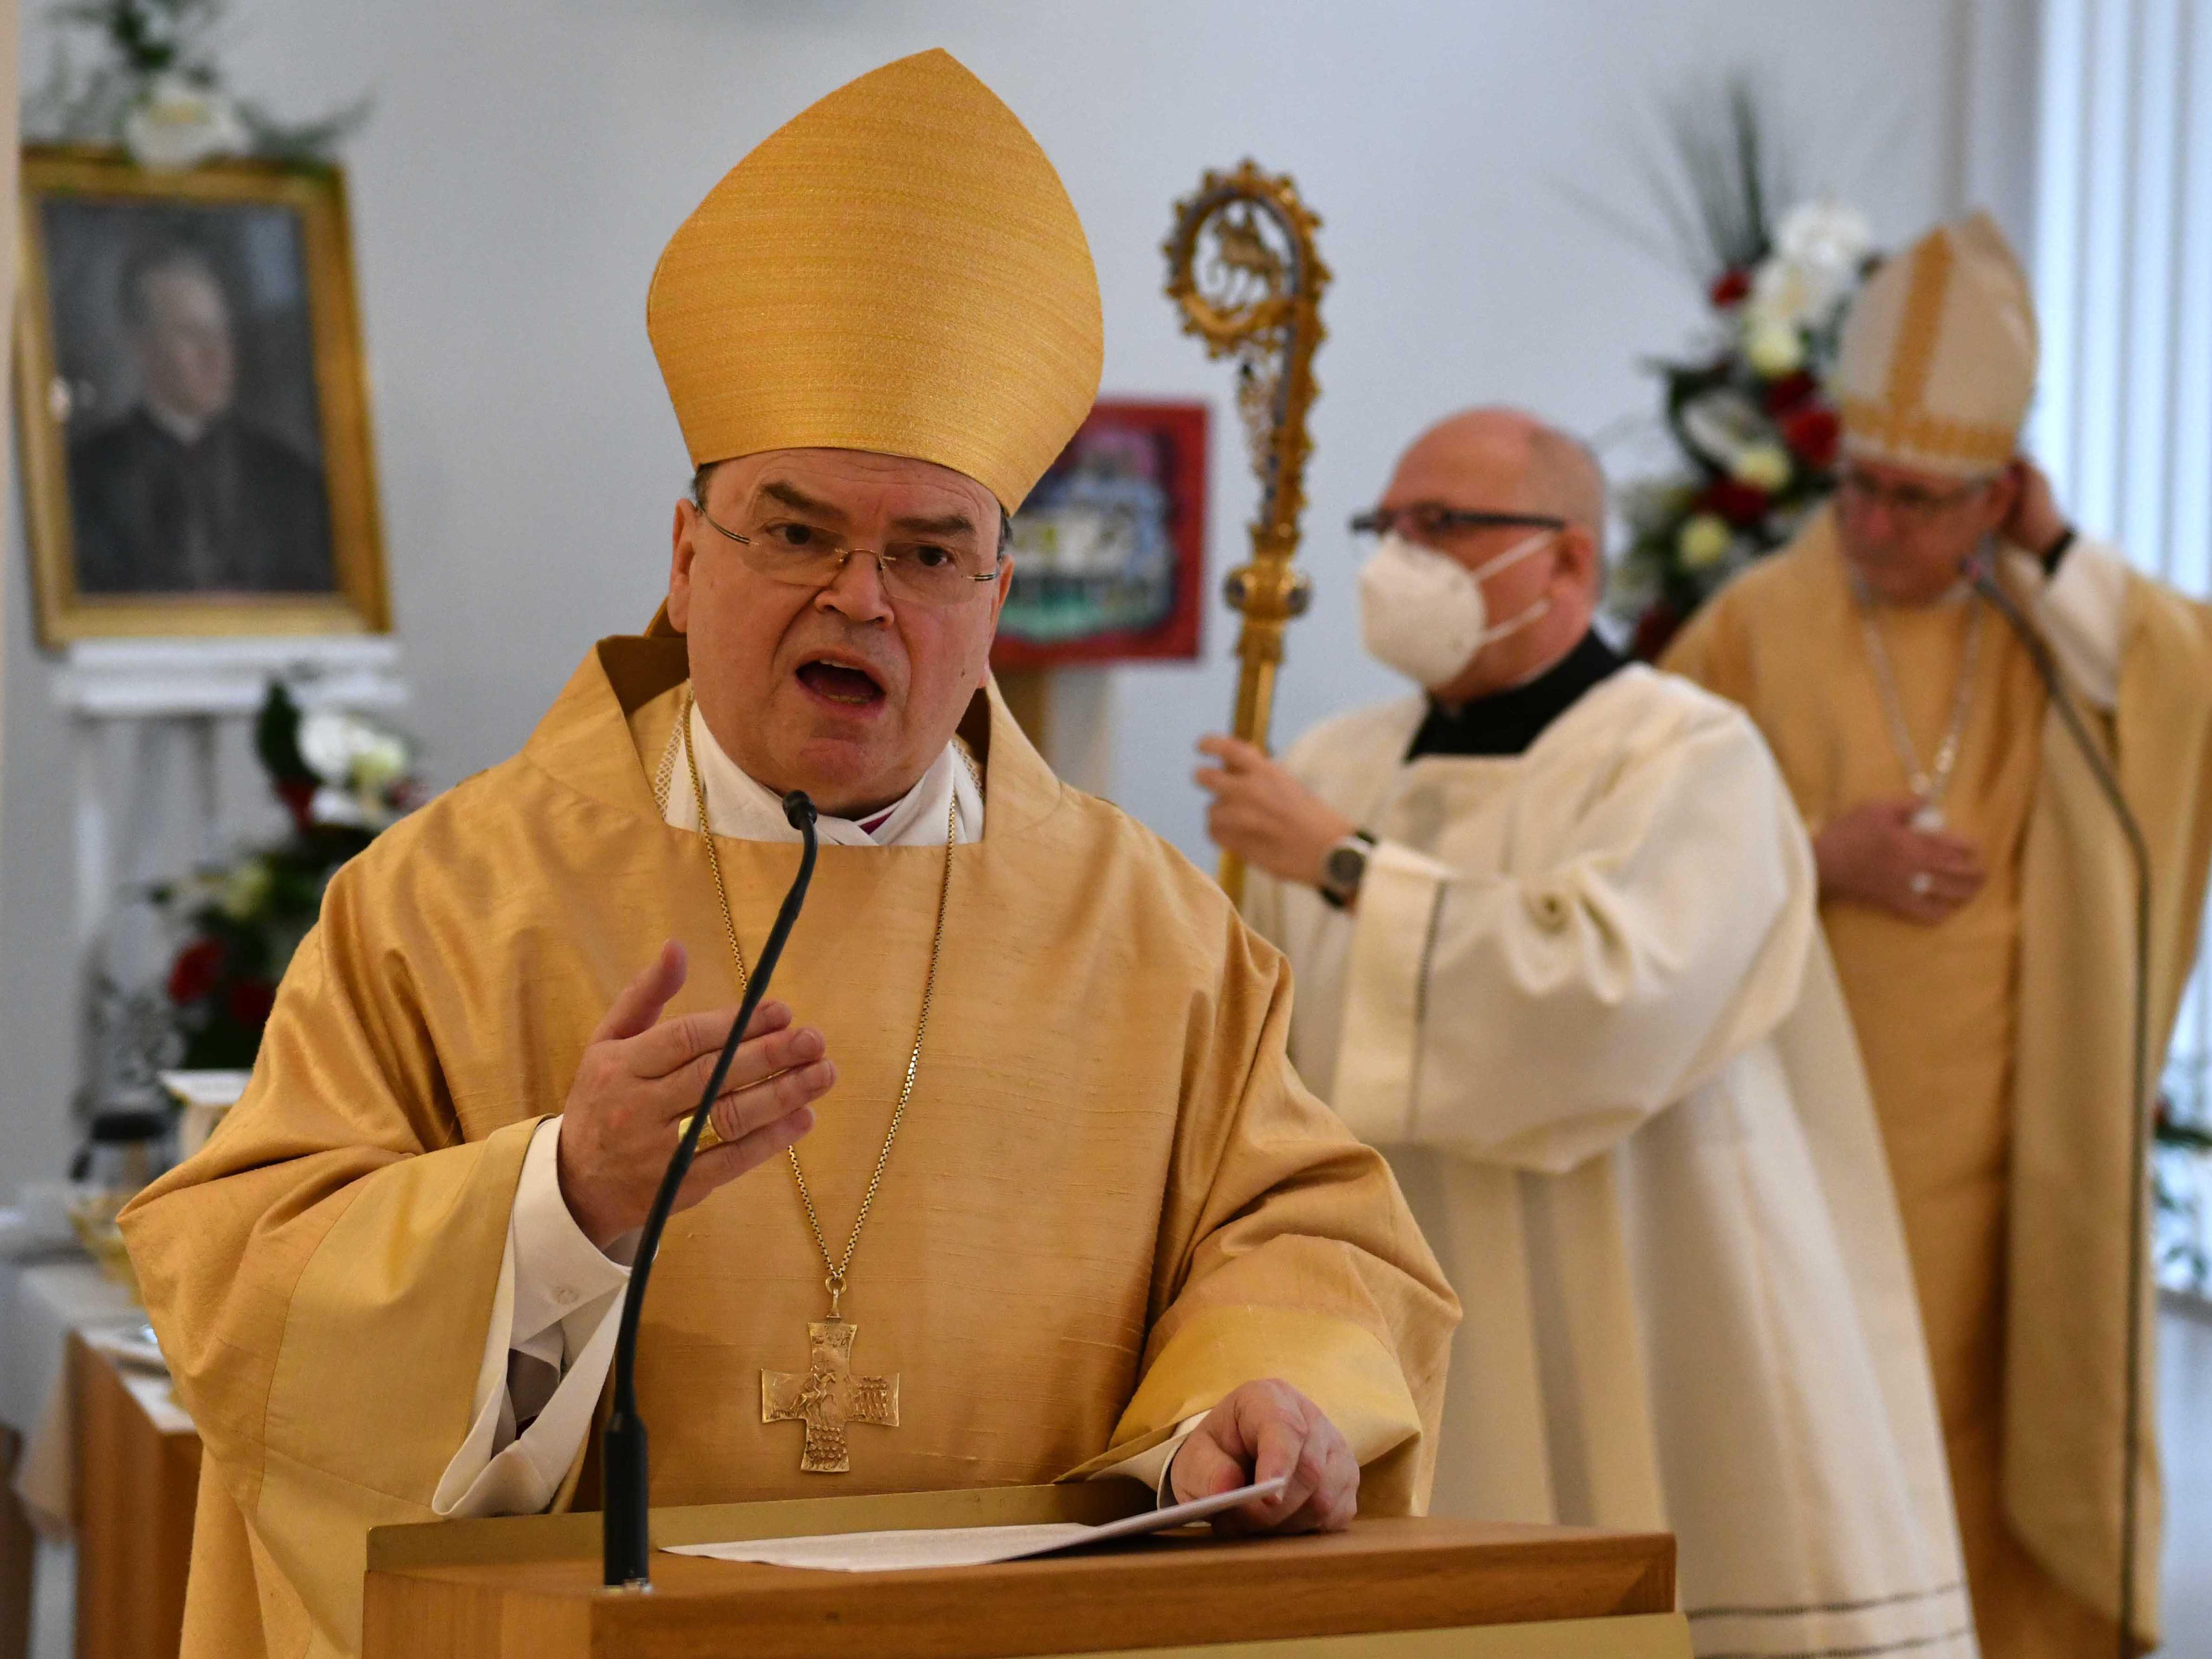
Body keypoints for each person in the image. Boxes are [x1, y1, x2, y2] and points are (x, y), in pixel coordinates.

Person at [119, 52, 1456, 1659]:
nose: (861, 599)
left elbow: (1307, 1235)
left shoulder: (1153, 933)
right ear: (685, 561)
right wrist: (556, 1204)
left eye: (927, 552)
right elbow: (239, 1281)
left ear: (995, 603)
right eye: (799, 530)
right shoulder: (448, 898)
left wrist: (1245, 1407)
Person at [1200, 407, 1975, 1659]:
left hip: (1651, 1266)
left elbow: (1607, 1002)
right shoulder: (1333, 759)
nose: (1400, 556)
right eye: (1386, 526)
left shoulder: (1689, 753)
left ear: (1564, 560)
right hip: (1409, 1270)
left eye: (1440, 524)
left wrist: (1344, 864)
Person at [1662, 214, 2212, 1657]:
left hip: (2015, 1150)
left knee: (1997, 1448)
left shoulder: (2047, 629)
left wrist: (2055, 549)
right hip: (1802, 1139)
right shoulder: (1753, 624)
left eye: (1918, 500)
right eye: (1860, 488)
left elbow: (2184, 692)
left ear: (1996, 500)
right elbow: (1638, 853)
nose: (1874, 527)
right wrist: (1810, 851)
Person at [69, 238, 332, 595]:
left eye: (221, 330)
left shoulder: (288, 477)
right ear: (141, 345)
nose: (216, 353)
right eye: (191, 333)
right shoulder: (86, 479)